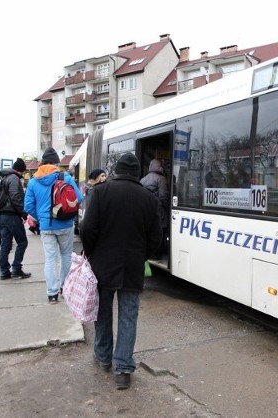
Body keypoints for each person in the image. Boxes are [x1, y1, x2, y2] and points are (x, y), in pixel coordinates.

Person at [80, 152, 162, 390]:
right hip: (132, 268)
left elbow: (87, 228)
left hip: (102, 266)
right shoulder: (149, 199)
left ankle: (104, 357)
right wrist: (141, 255)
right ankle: (123, 369)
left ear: (117, 171)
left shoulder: (101, 192)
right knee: (128, 317)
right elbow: (156, 237)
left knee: (102, 313)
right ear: (137, 174)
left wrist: (93, 253)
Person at [24, 147, 83, 304]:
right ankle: (65, 288)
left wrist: (41, 218)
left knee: (50, 259)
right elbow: (79, 198)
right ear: (56, 162)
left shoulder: (33, 181)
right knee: (65, 256)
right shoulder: (65, 177)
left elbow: (28, 206)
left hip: (46, 227)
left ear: (42, 163)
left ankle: (52, 294)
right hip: (65, 224)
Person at [0, 158, 31, 280]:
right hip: (12, 215)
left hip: (2, 215)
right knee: (22, 242)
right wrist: (23, 213)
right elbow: (15, 197)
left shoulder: (4, 177)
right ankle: (16, 268)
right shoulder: (14, 178)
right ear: (21, 170)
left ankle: (4, 271)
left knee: (5, 244)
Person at [140, 159, 169, 254]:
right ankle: (158, 252)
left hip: (146, 210)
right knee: (160, 231)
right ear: (160, 167)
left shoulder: (143, 179)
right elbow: (164, 196)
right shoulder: (161, 179)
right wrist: (167, 209)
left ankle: (150, 253)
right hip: (158, 209)